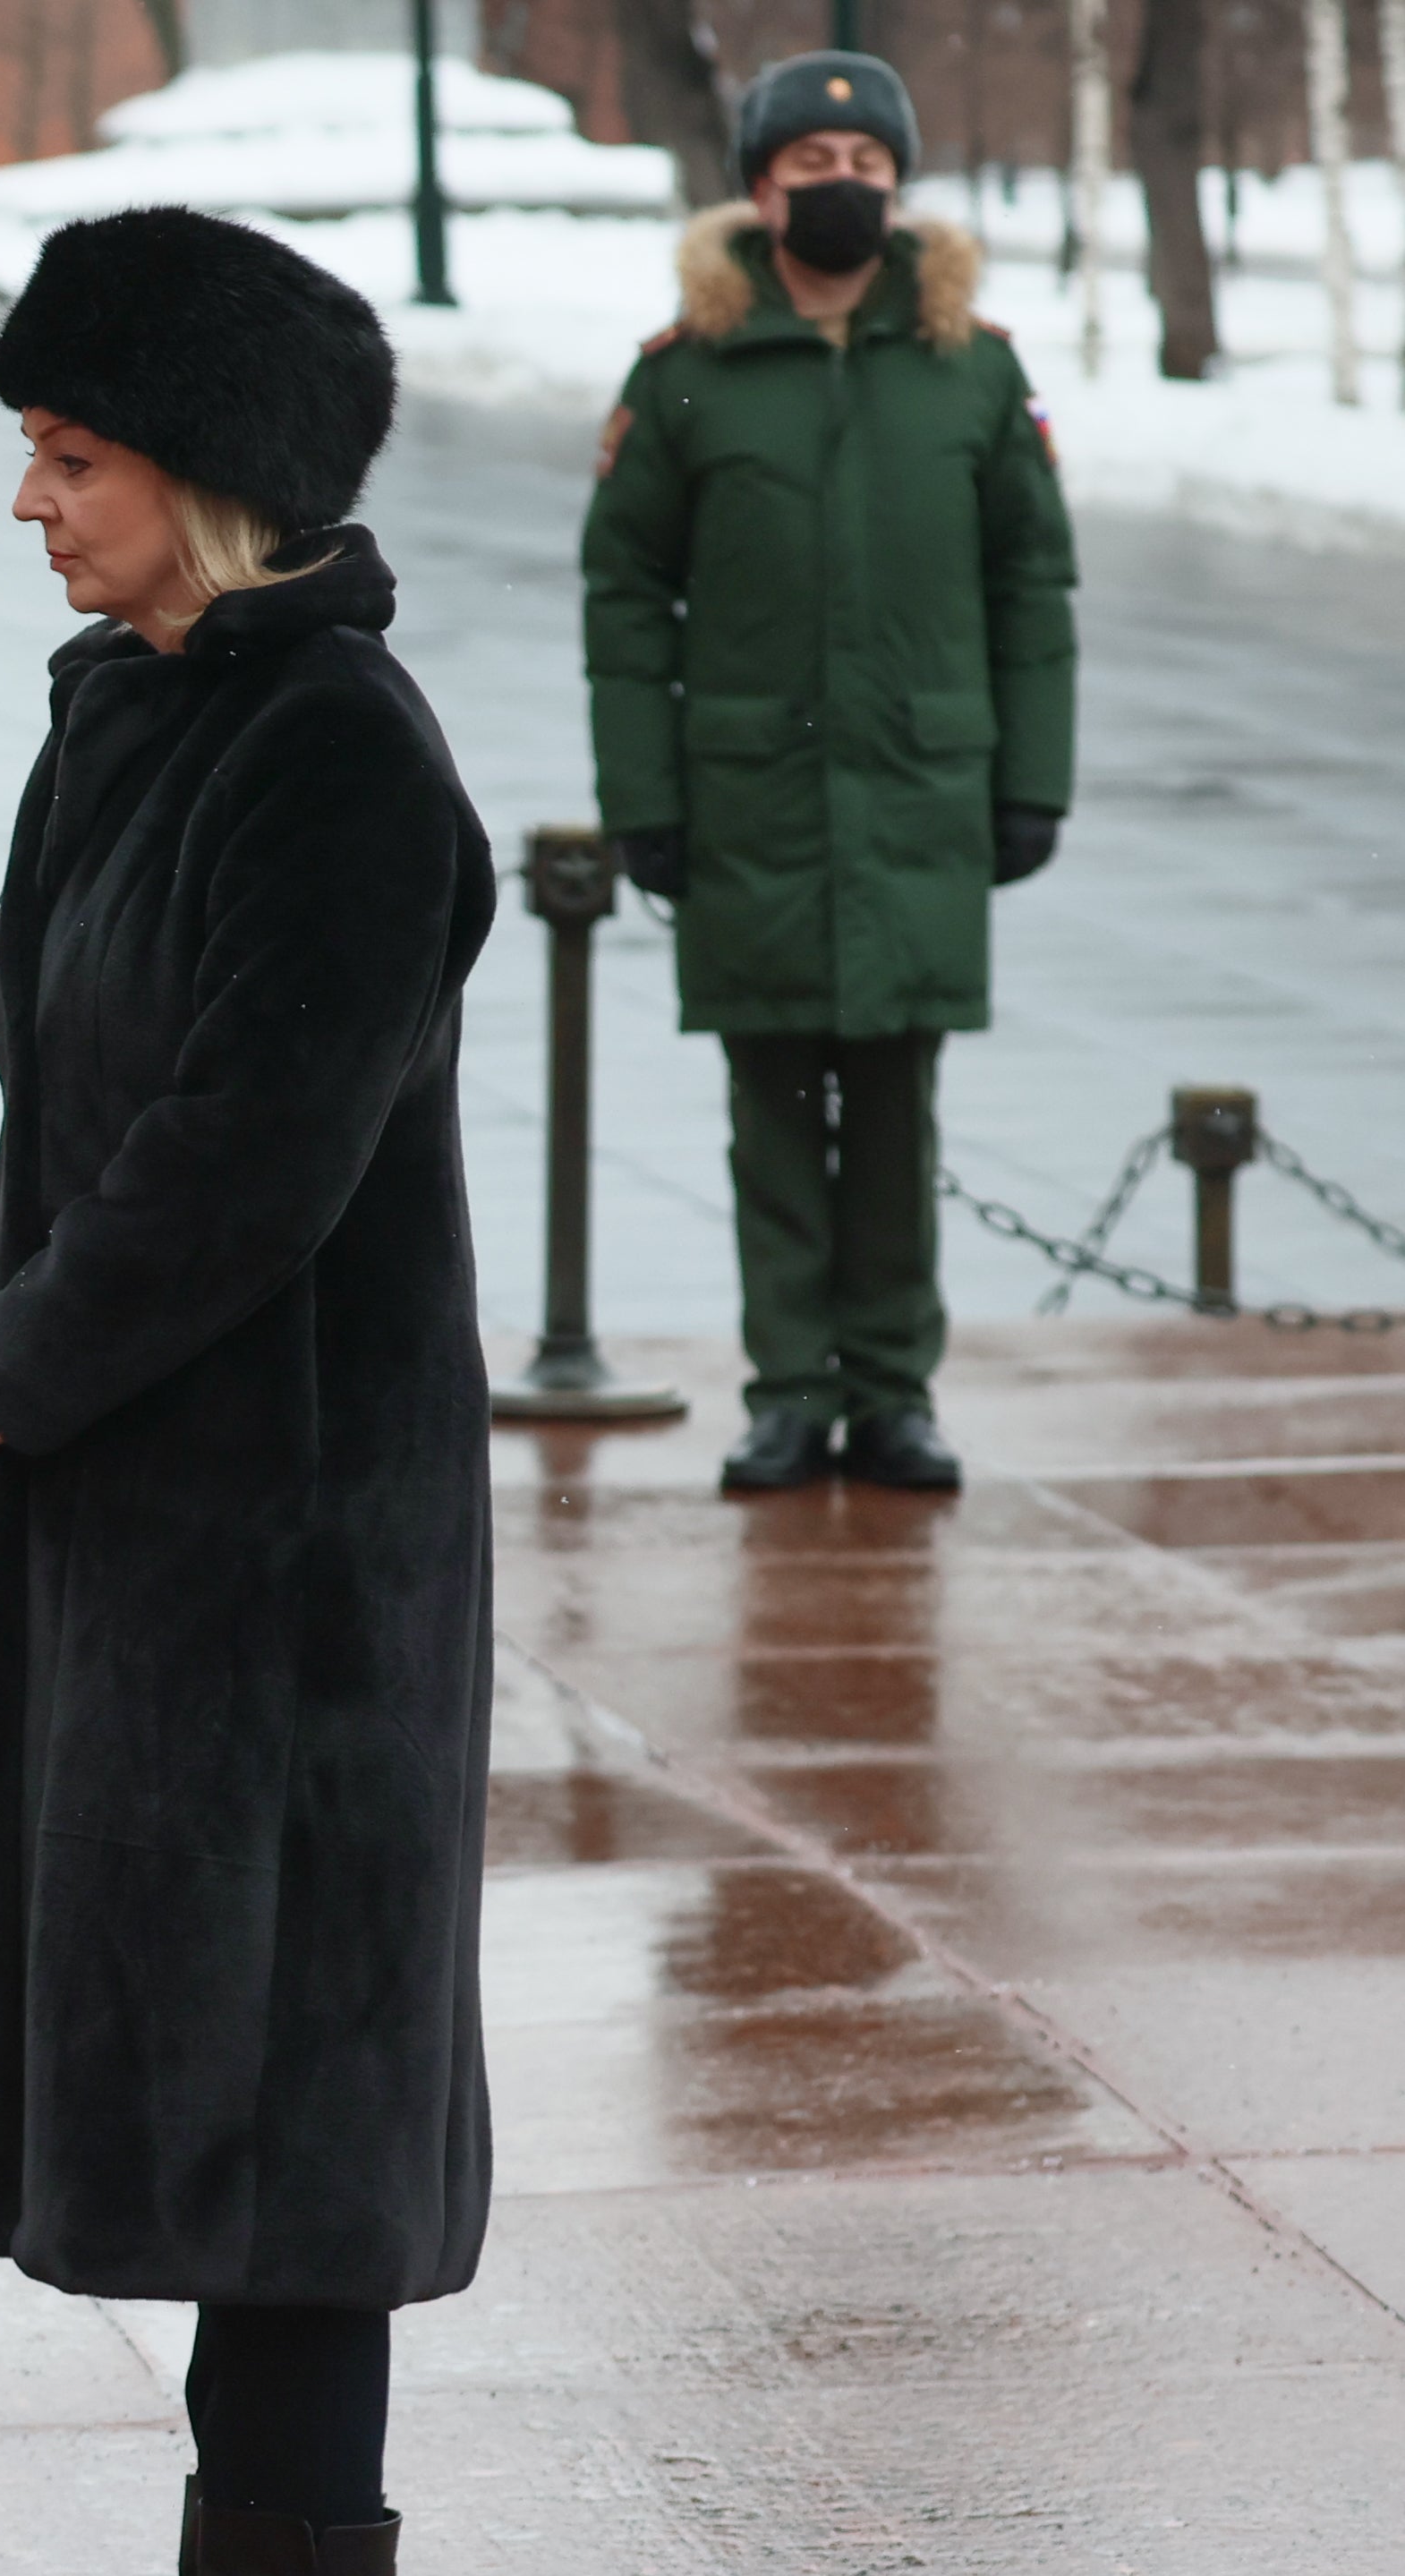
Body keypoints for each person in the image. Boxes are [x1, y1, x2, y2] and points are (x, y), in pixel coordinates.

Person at [0, 208, 493, 2576]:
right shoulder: (125, 714)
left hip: (291, 1547)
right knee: (202, 2071)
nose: (27, 502)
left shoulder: (333, 751)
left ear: (207, 479)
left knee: (290, 2077)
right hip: (142, 1506)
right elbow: (81, 1105)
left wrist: (14, 1367)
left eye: (67, 455)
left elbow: (253, 1151)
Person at [582, 51, 1078, 1496]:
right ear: (758, 187)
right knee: (777, 1114)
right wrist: (644, 801)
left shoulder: (970, 369)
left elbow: (1029, 586)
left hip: (920, 791)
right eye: (811, 168)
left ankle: (895, 1397)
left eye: (866, 171)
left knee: (896, 1109)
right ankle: (789, 1395)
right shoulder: (685, 373)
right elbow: (623, 596)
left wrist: (1027, 781)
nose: (841, 189)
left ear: (898, 189)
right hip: (750, 799)